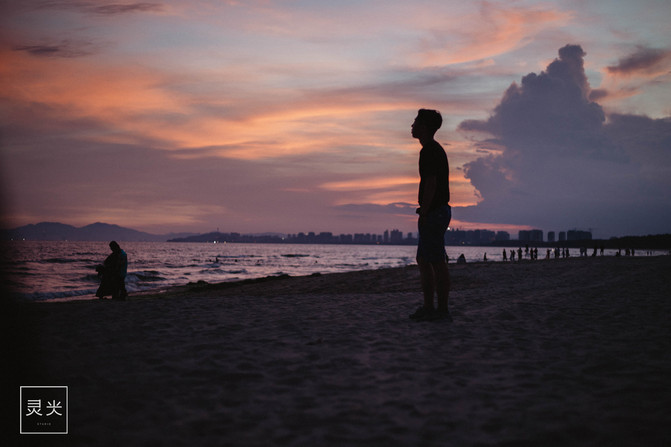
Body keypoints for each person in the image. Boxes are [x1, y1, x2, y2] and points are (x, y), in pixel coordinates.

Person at [408, 109, 452, 322]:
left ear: (424, 127)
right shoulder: (431, 150)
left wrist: (424, 211)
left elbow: (431, 183)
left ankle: (440, 310)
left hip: (434, 212)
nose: (412, 125)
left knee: (435, 261)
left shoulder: (430, 151)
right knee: (424, 259)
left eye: (415, 122)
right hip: (436, 211)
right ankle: (430, 308)